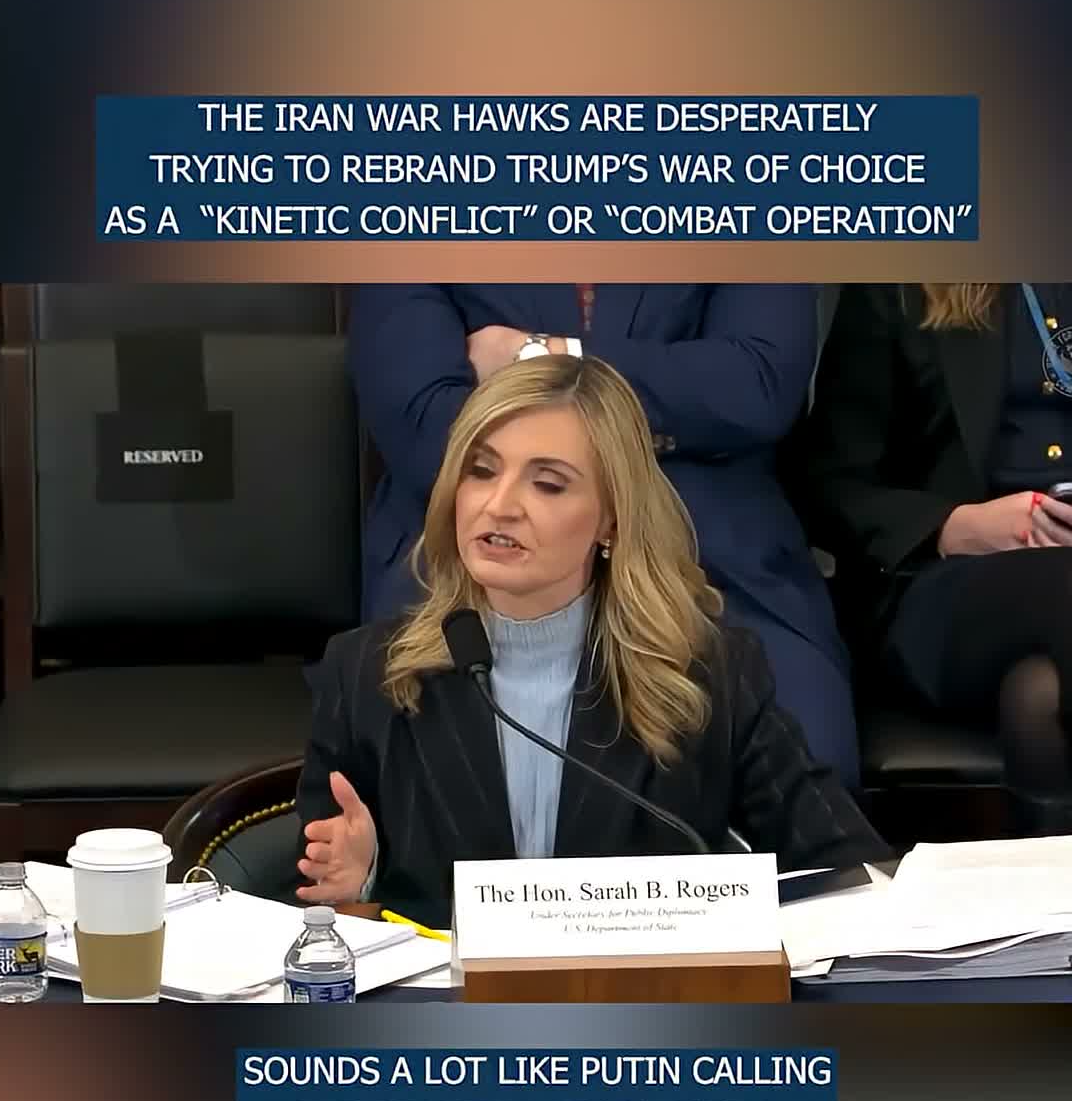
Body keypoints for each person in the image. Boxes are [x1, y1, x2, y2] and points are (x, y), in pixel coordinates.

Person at [299, 355, 886, 927]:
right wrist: (358, 884)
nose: (500, 506)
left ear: (611, 519)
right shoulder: (365, 675)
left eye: (548, 484)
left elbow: (847, 870)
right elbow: (312, 922)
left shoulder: (709, 674)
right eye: (481, 471)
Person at [348, 283, 860, 783]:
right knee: (430, 770)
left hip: (713, 558)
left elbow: (756, 384)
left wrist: (540, 355)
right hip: (471, 564)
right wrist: (663, 419)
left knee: (805, 759)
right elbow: (427, 421)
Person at [801, 282, 1072, 835]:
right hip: (947, 580)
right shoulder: (902, 286)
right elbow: (825, 480)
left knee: (1038, 694)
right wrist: (955, 526)